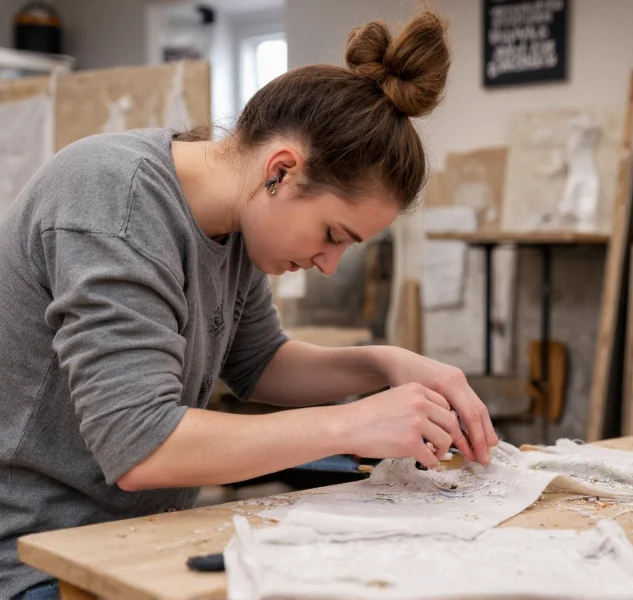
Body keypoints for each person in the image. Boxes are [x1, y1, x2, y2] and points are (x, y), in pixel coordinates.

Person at [0, 10, 499, 599]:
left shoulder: (235, 226)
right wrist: (353, 423)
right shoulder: (117, 202)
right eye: (334, 234)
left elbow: (259, 362)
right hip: (38, 557)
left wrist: (386, 365)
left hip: (136, 538)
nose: (329, 263)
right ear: (281, 171)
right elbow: (141, 445)